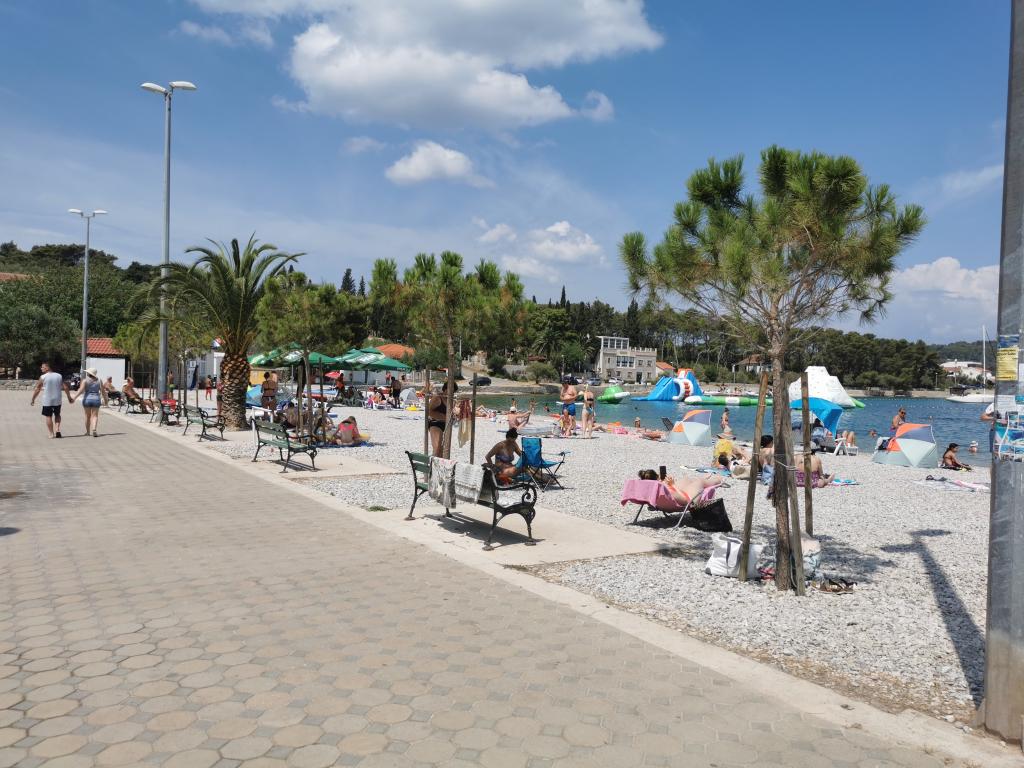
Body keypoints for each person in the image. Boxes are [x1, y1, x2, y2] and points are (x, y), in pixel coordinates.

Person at [637, 469, 723, 505]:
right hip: (689, 500)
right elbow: (683, 498)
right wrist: (673, 485)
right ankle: (718, 480)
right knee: (700, 482)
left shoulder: (651, 490)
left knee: (686, 480)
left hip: (676, 497)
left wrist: (669, 484)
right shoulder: (662, 489)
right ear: (657, 478)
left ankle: (703, 478)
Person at [31, 362, 71, 438]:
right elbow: (65, 387)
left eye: (42, 367)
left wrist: (33, 399)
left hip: (47, 400)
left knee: (48, 416)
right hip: (57, 399)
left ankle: (51, 433)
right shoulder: (59, 376)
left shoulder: (43, 377)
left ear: (47, 368)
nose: (41, 368)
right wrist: (69, 398)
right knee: (57, 414)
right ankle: (57, 430)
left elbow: (38, 389)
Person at [70, 367, 107, 436]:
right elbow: (103, 391)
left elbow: (80, 391)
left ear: (89, 373)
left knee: (87, 416)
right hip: (96, 399)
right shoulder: (99, 381)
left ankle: (87, 432)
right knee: (95, 416)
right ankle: (94, 429)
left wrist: (74, 398)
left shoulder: (85, 381)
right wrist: (106, 400)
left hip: (87, 399)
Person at [427, 382, 453, 456]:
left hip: (446, 425)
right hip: (435, 423)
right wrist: (443, 417)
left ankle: (439, 462)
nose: (452, 392)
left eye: (453, 391)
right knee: (437, 448)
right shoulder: (437, 397)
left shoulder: (450, 399)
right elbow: (428, 411)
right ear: (445, 389)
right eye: (451, 390)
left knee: (442, 450)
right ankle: (432, 462)